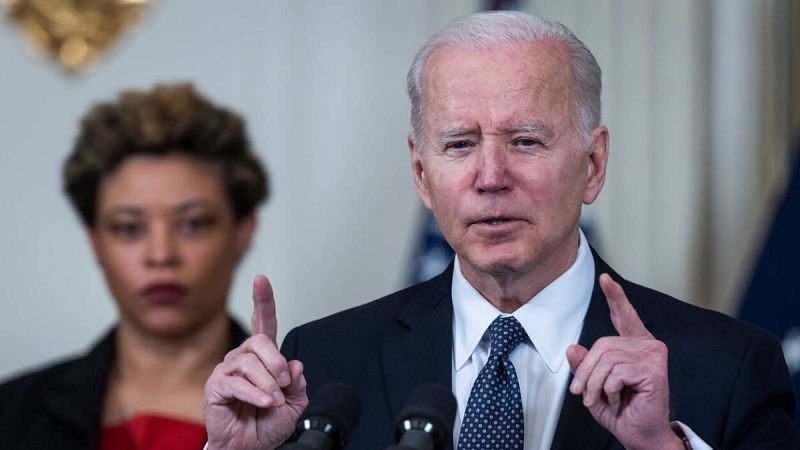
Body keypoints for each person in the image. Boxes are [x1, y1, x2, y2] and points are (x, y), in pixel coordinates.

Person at [204, 11, 799, 450]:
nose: (491, 177)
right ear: (421, 172)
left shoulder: (732, 367)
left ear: (592, 166)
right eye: (459, 145)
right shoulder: (323, 365)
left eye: (526, 141)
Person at [0, 83, 268, 450]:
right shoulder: (11, 414)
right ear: (95, 242)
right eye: (128, 228)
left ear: (242, 232)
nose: (160, 254)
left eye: (193, 224)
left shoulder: (310, 414)